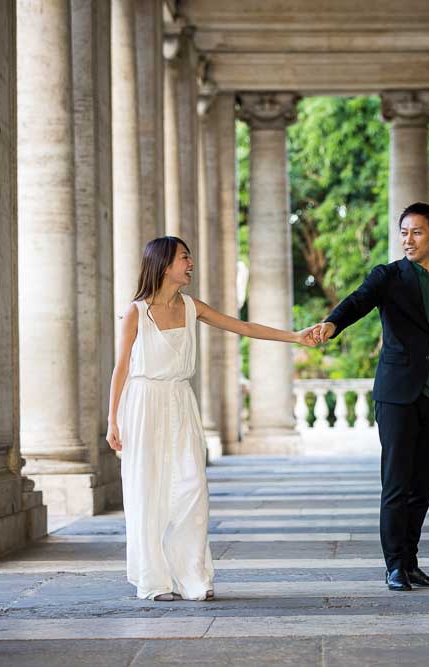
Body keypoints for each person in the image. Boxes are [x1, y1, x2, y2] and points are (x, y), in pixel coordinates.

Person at [106, 236, 316, 601]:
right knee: (147, 491)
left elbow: (244, 327)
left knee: (192, 487)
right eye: (184, 258)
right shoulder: (135, 312)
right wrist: (112, 420)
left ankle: (193, 577)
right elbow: (120, 367)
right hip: (143, 404)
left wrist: (295, 337)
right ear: (164, 263)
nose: (191, 264)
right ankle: (153, 581)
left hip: (180, 402)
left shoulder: (192, 307)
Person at [309, 203, 429, 591]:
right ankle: (394, 566)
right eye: (404, 232)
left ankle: (411, 562)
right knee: (397, 482)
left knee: (423, 483)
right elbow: (358, 301)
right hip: (397, 396)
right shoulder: (387, 276)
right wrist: (332, 323)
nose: (408, 240)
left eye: (417, 233)